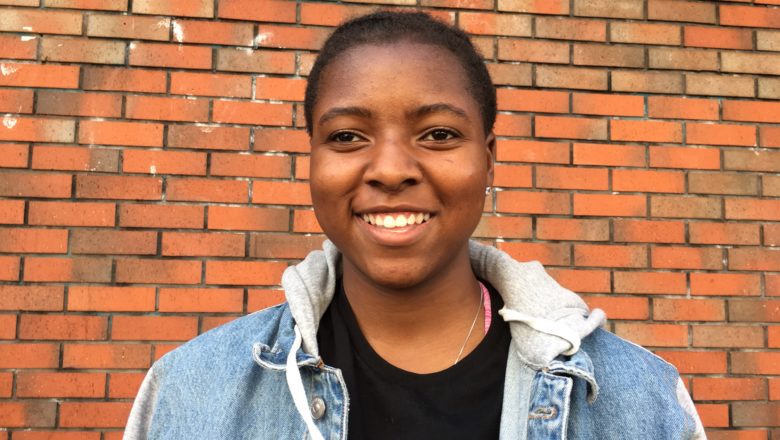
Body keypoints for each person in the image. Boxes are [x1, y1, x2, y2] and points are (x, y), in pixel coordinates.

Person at [124, 11, 705, 439]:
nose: (391, 169)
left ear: (489, 158)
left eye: (439, 134)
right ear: (312, 159)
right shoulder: (190, 392)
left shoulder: (640, 401)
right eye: (347, 136)